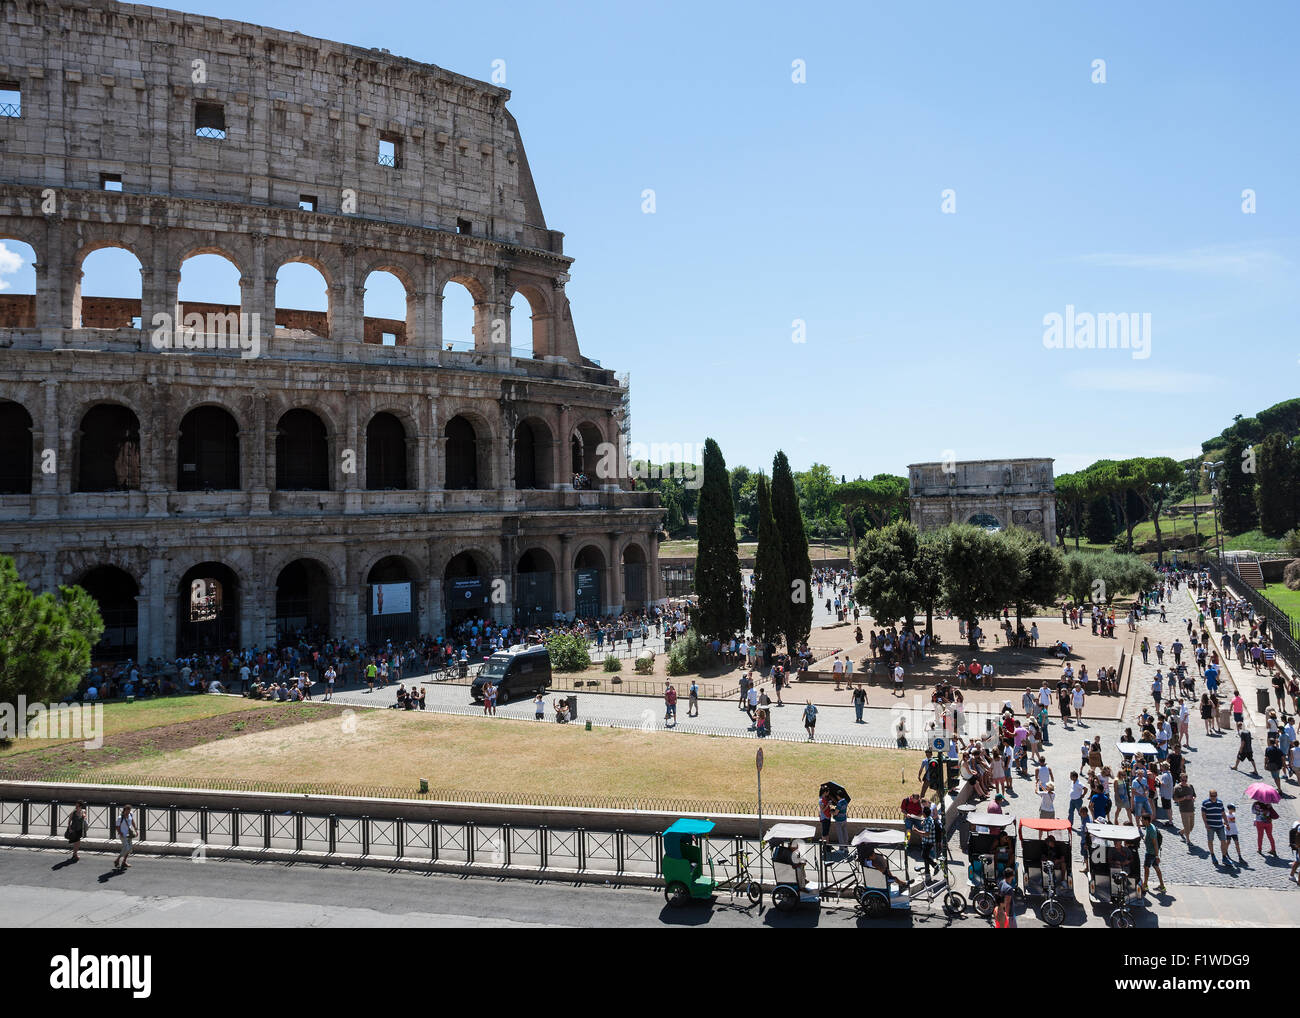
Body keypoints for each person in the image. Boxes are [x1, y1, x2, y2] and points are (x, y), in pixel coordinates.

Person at [1140, 815, 1166, 895]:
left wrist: (1157, 856)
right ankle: (1162, 886)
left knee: (1146, 867)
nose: (1141, 821)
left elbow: (1155, 844)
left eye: (1142, 820)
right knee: (1156, 868)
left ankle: (1145, 885)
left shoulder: (1151, 830)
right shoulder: (1149, 826)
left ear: (1147, 820)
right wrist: (1144, 839)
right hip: (1154, 853)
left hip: (1151, 853)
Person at [1202, 789, 1228, 864]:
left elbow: (1223, 813)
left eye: (1215, 796)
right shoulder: (1205, 803)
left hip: (1220, 825)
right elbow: (1203, 814)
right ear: (1209, 795)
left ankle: (1224, 857)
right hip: (1210, 826)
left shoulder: (1220, 802)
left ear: (1217, 795)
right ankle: (1212, 855)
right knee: (1210, 841)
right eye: (1212, 796)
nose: (1213, 797)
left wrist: (1226, 822)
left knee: (1223, 841)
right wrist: (1206, 824)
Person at [1173, 774, 1197, 841]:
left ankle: (1181, 832)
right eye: (1183, 780)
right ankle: (1188, 840)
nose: (1184, 781)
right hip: (1184, 810)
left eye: (1185, 780)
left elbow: (1194, 795)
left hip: (1191, 809)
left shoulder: (1190, 786)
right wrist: (1184, 798)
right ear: (1180, 779)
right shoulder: (1177, 788)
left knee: (1191, 827)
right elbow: (1175, 799)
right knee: (1187, 827)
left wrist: (1193, 798)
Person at [114, 804, 137, 870]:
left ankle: (124, 861)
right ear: (124, 810)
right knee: (126, 848)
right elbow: (117, 826)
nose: (128, 813)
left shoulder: (130, 814)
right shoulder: (120, 817)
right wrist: (120, 833)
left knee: (129, 849)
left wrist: (135, 829)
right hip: (123, 835)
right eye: (127, 811)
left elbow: (132, 821)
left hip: (129, 834)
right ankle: (117, 860)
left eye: (129, 811)